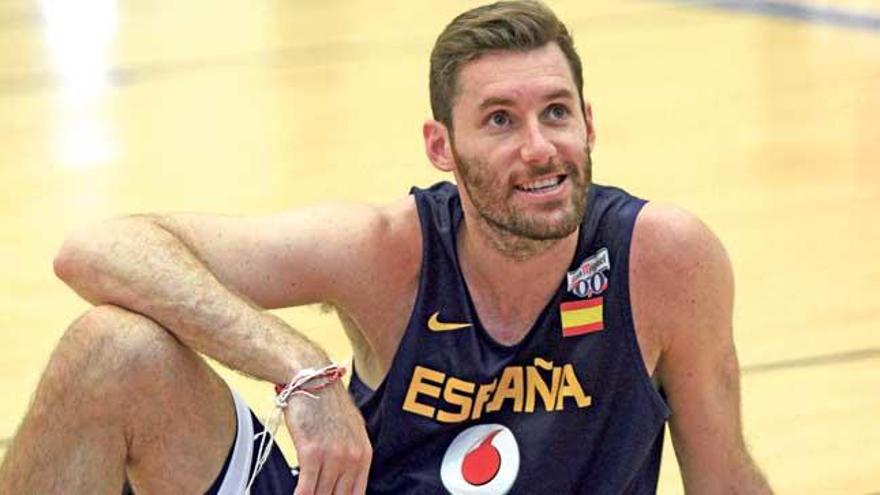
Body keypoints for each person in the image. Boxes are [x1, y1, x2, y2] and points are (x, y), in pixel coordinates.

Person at [0, 1, 772, 493]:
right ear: (441, 147)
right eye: (500, 120)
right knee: (109, 349)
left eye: (556, 113)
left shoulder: (663, 259)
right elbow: (97, 249)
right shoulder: (386, 251)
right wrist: (302, 370)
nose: (539, 147)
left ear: (590, 125)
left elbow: (726, 480)